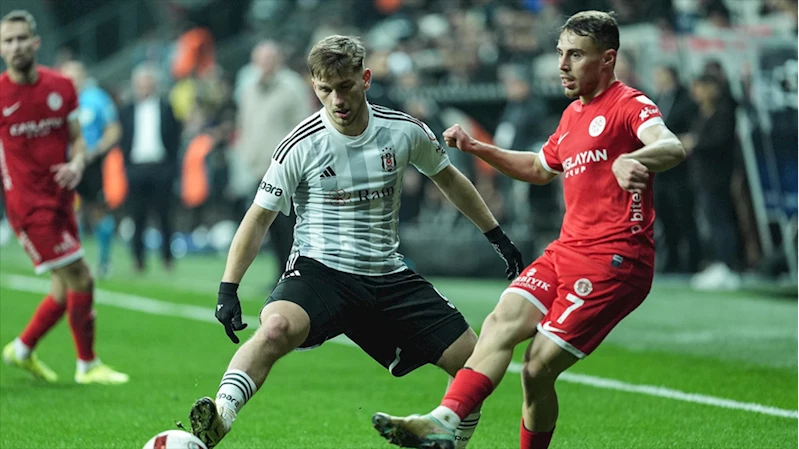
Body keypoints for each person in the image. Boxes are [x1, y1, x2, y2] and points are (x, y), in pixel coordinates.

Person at [185, 35, 524, 449]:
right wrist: (229, 287)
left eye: (345, 86)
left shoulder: (404, 131)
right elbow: (258, 218)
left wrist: (497, 237)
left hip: (387, 274)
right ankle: (222, 414)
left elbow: (450, 180)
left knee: (475, 362)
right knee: (275, 328)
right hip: (321, 271)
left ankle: (448, 440)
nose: (337, 100)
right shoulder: (300, 144)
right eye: (325, 89)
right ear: (314, 86)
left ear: (365, 79)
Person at [372, 11, 685, 449]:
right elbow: (539, 167)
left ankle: (450, 426)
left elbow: (670, 145)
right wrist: (479, 148)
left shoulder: (629, 104)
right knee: (500, 322)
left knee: (537, 369)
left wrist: (636, 159)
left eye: (576, 55)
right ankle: (446, 422)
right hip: (567, 251)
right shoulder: (573, 115)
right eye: (560, 53)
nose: (562, 65)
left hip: (615, 261)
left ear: (607, 59)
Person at [0, 10, 129, 385]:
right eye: (8, 40)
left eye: (22, 38)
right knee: (82, 278)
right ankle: (88, 365)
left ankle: (22, 350)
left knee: (62, 288)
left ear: (36, 42)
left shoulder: (61, 86)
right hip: (29, 208)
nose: (16, 46)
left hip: (61, 200)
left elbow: (77, 139)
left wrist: (76, 163)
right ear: (1, 49)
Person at [234, 40, 312, 282]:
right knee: (270, 227)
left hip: (286, 169)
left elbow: (304, 125)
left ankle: (295, 276)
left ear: (279, 60)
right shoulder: (249, 88)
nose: (265, 64)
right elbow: (244, 125)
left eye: (269, 59)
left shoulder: (293, 86)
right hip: (259, 169)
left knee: (289, 226)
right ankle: (280, 274)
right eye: (261, 59)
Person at [60, 60, 122, 279]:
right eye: (66, 76)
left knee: (98, 210)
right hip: (65, 163)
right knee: (67, 211)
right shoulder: (58, 99)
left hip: (92, 164)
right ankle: (70, 261)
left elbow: (113, 129)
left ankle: (104, 261)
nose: (71, 80)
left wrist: (97, 150)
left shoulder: (97, 98)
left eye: (74, 76)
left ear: (83, 76)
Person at [118, 63, 182, 273]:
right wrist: (127, 167)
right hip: (136, 168)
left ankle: (167, 259)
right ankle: (138, 260)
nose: (145, 87)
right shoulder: (127, 110)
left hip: (160, 168)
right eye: (141, 83)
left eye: (148, 82)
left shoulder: (166, 108)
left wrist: (171, 168)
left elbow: (175, 138)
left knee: (165, 216)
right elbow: (123, 140)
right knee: (137, 217)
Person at [651, 65, 701, 273]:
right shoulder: (655, 100)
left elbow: (690, 134)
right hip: (660, 171)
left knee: (684, 216)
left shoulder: (685, 102)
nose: (657, 80)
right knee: (665, 216)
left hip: (680, 170)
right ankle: (671, 259)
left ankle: (693, 260)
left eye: (660, 75)